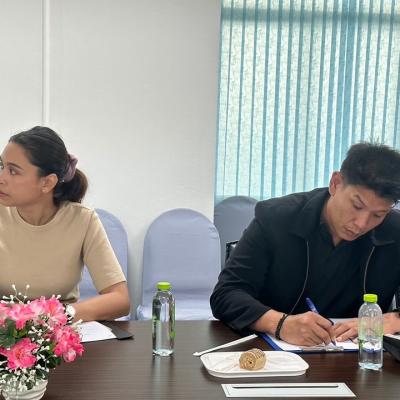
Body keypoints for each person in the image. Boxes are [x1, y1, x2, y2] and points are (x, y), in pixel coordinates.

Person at [210, 142, 400, 346]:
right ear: (336, 183)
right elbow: (226, 294)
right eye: (356, 205)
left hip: (360, 355)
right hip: (273, 352)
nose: (361, 224)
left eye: (378, 215)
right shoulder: (276, 218)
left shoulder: (394, 231)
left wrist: (391, 320)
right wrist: (280, 323)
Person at [0, 126, 130, 321]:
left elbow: (120, 300)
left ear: (47, 183)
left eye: (13, 171)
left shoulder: (83, 220)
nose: (1, 178)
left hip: (60, 329)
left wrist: (60, 315)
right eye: (1, 166)